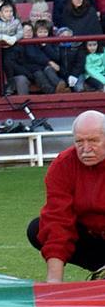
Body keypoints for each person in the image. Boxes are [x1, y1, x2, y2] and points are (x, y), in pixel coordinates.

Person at [29, 110, 105, 281]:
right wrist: (54, 280)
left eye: (93, 140)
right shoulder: (63, 165)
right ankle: (101, 267)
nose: (86, 149)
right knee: (37, 228)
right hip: (92, 235)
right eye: (79, 142)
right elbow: (58, 220)